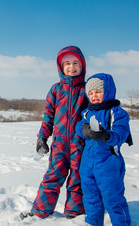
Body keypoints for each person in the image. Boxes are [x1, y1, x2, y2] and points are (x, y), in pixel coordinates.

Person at [20, 45, 88, 220]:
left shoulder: (86, 90)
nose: (71, 67)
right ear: (60, 67)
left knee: (77, 179)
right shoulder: (56, 90)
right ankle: (40, 212)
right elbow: (48, 116)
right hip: (59, 144)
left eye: (75, 63)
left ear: (82, 66)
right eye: (67, 64)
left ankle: (74, 213)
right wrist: (42, 137)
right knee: (52, 177)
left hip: (80, 144)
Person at [75, 73, 132, 226]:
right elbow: (78, 126)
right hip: (87, 163)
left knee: (113, 198)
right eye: (91, 93)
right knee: (90, 197)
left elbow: (121, 134)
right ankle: (93, 223)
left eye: (98, 92)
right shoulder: (87, 112)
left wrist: (106, 135)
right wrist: (85, 129)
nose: (94, 96)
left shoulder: (116, 112)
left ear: (107, 91)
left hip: (109, 163)